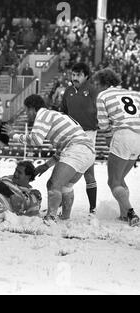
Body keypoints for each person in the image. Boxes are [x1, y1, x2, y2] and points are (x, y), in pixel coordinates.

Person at [3, 94, 96, 222]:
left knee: (53, 184)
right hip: (88, 152)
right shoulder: (54, 115)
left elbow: (36, 140)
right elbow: (62, 150)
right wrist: (46, 165)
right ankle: (64, 218)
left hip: (77, 148)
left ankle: (50, 218)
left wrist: (14, 135)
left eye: (26, 110)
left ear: (32, 108)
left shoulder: (42, 114)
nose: (26, 114)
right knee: (65, 187)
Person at [93, 68, 140, 227]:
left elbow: (103, 123)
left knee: (113, 181)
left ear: (104, 83)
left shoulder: (103, 96)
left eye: (97, 84)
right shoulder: (135, 94)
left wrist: (108, 140)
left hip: (123, 135)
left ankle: (132, 213)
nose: (96, 88)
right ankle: (123, 214)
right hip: (139, 136)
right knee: (120, 179)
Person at [62, 63, 99, 215]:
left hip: (88, 134)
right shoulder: (68, 91)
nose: (74, 78)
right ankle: (60, 202)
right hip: (71, 134)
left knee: (88, 172)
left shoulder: (93, 90)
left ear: (86, 76)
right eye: (73, 75)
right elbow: (63, 112)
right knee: (64, 169)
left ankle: (93, 209)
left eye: (78, 75)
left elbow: (101, 110)